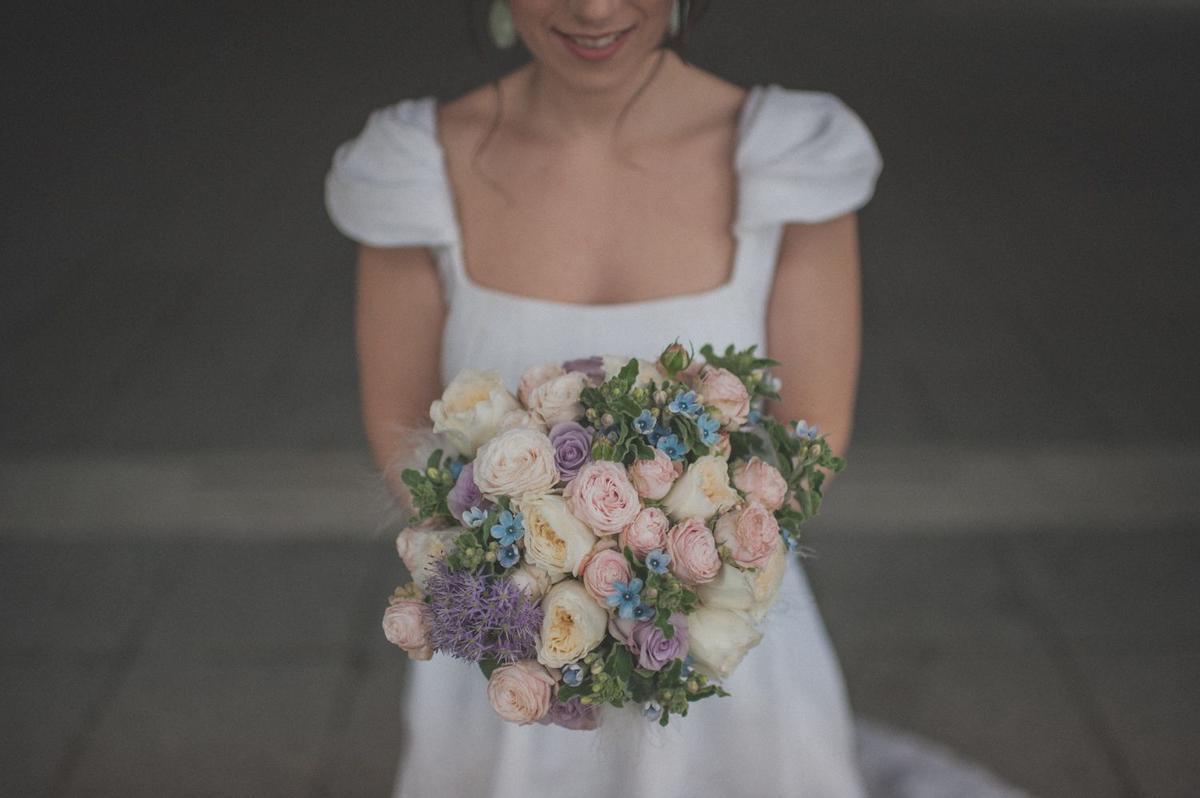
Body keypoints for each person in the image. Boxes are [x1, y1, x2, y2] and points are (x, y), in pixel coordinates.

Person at [325, 2, 1030, 796]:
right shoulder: (413, 164)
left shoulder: (788, 152)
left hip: (723, 646)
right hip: (506, 650)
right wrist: (541, 596)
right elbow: (402, 442)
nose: (594, 8)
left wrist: (667, 587)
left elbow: (812, 437)